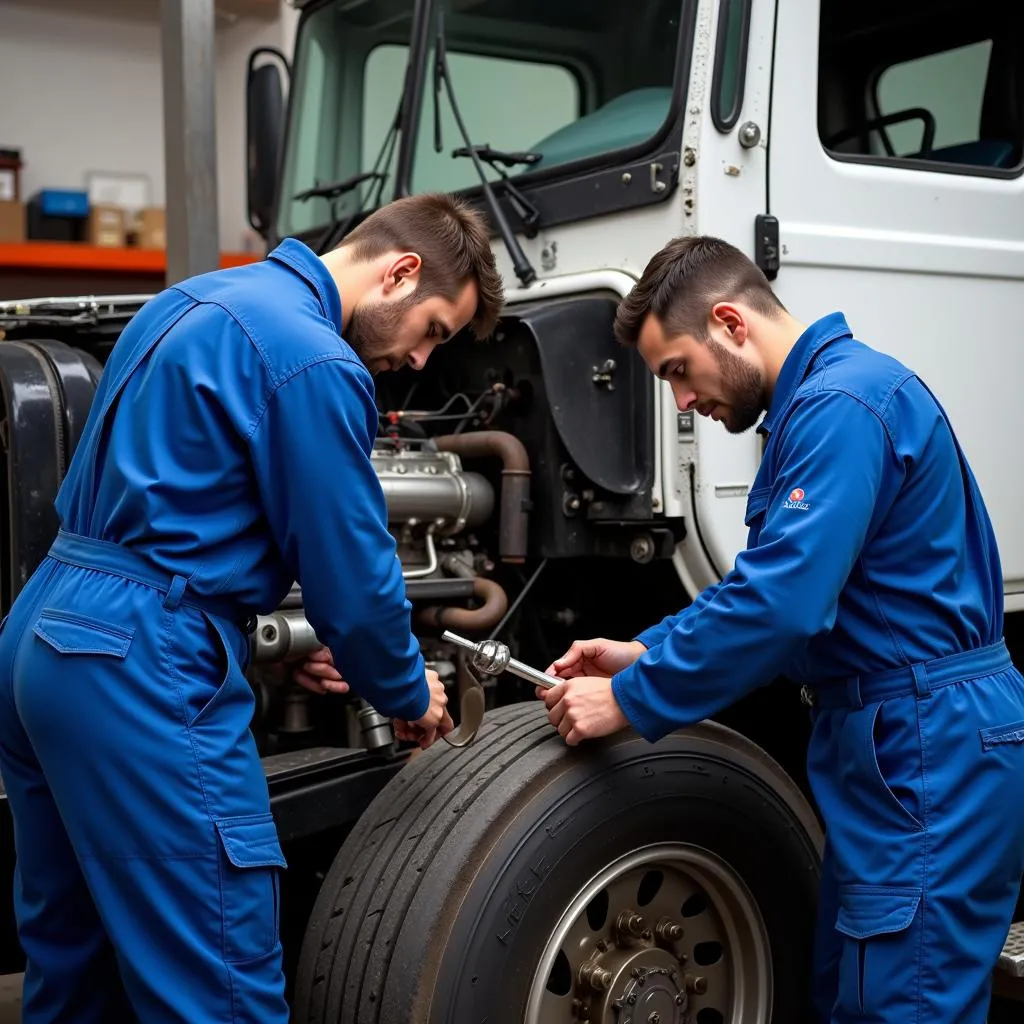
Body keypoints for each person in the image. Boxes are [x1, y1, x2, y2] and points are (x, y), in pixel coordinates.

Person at [0, 192, 504, 1023]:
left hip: (45, 637)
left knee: (74, 968)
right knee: (221, 992)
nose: (420, 362)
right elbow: (354, 576)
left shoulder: (191, 301)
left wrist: (259, 640)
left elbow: (189, 505)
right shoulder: (315, 359)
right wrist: (410, 690)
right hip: (140, 659)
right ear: (401, 273)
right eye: (434, 332)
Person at [537, 235, 1024, 1023]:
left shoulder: (840, 407)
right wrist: (647, 647)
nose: (682, 403)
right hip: (897, 742)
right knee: (856, 995)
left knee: (904, 1005)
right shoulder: (819, 405)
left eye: (676, 373)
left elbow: (784, 605)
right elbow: (773, 590)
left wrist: (633, 696)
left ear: (730, 321)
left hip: (929, 743)